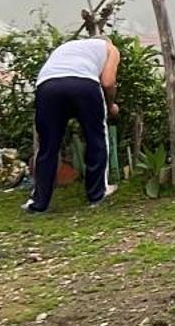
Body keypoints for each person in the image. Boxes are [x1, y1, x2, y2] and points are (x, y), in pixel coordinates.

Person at [24, 34, 121, 212]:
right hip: (84, 84)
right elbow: (107, 82)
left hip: (47, 86)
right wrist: (109, 106)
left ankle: (38, 203)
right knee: (96, 138)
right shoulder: (109, 48)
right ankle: (97, 193)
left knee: (48, 146)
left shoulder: (67, 47)